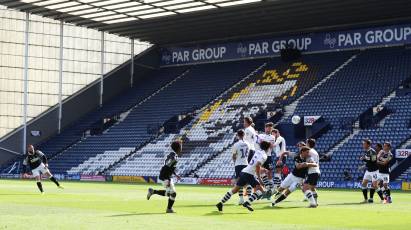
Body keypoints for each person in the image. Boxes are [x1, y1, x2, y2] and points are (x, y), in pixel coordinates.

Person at [216, 141, 271, 212]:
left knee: (235, 190)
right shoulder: (264, 156)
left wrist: (263, 169)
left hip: (244, 171)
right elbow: (257, 165)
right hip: (249, 174)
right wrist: (260, 179)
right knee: (260, 190)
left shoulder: (257, 152)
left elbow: (255, 165)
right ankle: (247, 203)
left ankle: (220, 203)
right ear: (268, 148)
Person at [147, 140, 182, 213]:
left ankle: (153, 191)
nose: (181, 147)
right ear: (178, 148)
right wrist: (167, 179)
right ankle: (169, 209)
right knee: (173, 194)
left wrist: (175, 175)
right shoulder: (174, 157)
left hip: (166, 176)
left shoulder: (173, 155)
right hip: (165, 177)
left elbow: (169, 167)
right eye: (181, 146)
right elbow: (167, 166)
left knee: (170, 193)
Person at [256, 122, 276, 197]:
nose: (269, 129)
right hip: (261, 156)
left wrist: (263, 142)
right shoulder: (260, 135)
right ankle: (267, 187)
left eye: (270, 128)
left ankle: (272, 188)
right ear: (265, 128)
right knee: (261, 170)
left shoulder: (272, 137)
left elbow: (270, 146)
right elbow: (259, 143)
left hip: (268, 156)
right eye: (268, 127)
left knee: (270, 172)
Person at [232, 129, 250, 205]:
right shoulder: (247, 144)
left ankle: (241, 199)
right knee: (248, 182)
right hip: (246, 163)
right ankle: (249, 198)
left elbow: (233, 156)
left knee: (238, 182)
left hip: (238, 164)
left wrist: (234, 162)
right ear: (244, 135)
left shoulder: (236, 145)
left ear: (237, 135)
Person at [359, 139, 379, 203]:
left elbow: (373, 161)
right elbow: (369, 161)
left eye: (364, 144)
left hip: (374, 170)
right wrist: (364, 159)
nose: (363, 145)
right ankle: (365, 199)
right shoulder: (367, 151)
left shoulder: (372, 151)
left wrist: (365, 159)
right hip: (368, 170)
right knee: (363, 184)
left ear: (368, 144)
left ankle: (383, 198)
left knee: (375, 186)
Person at [302, 139, 321, 206]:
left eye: (306, 143)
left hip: (312, 172)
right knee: (312, 188)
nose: (305, 144)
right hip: (317, 171)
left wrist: (305, 164)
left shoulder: (309, 151)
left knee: (304, 188)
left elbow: (311, 162)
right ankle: (315, 202)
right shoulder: (315, 152)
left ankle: (312, 203)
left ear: (309, 144)